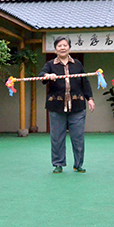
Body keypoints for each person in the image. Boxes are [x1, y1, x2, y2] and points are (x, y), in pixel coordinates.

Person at [39, 36, 95, 173]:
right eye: (59, 46)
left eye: (65, 45)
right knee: (57, 137)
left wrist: (90, 98)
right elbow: (41, 76)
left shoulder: (77, 64)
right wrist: (47, 76)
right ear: (55, 49)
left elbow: (84, 82)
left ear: (69, 47)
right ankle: (58, 164)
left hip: (77, 106)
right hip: (56, 107)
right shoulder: (50, 65)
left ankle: (78, 164)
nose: (62, 48)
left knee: (78, 138)